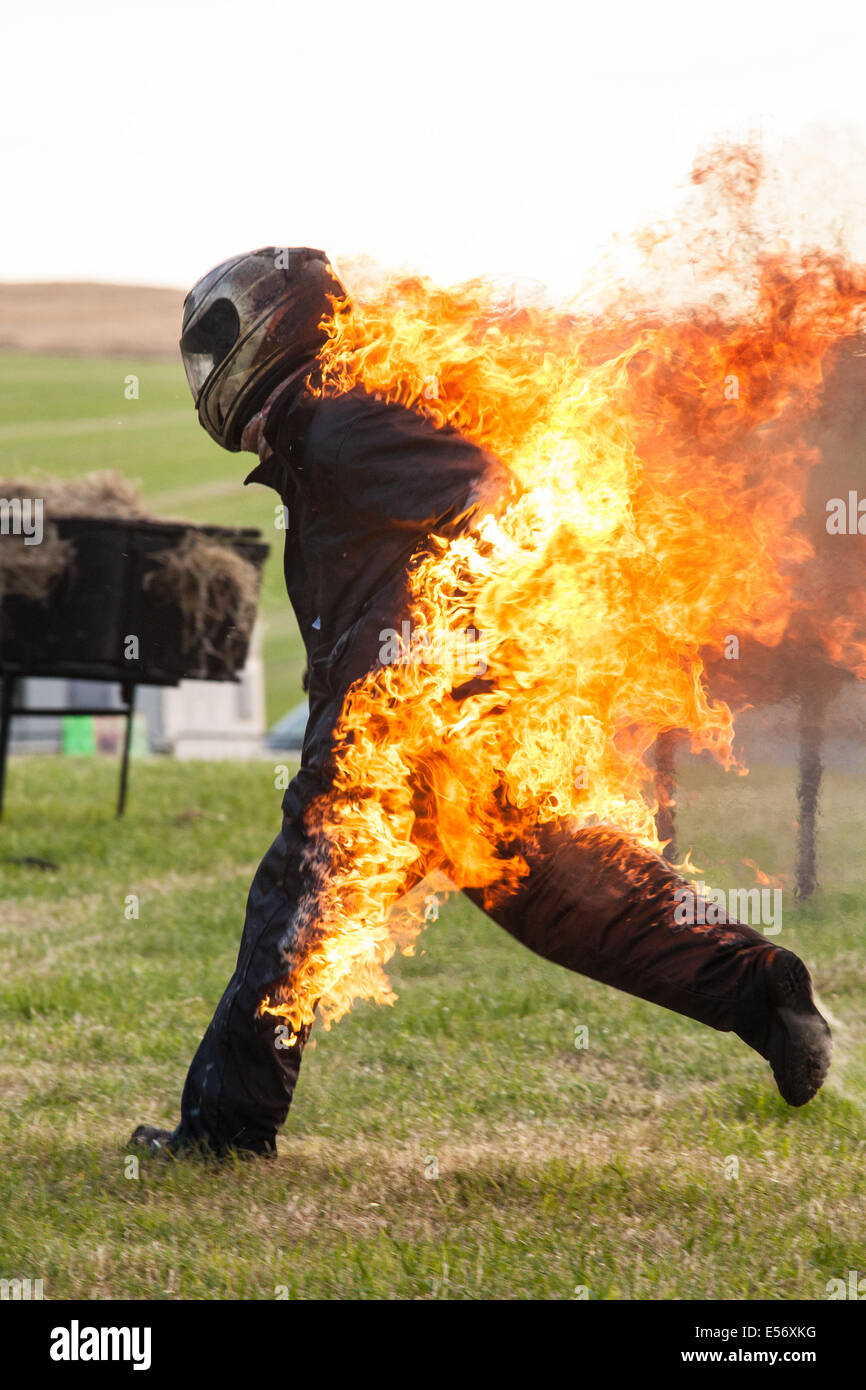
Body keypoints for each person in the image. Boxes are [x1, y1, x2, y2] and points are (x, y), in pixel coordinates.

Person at [131, 247, 832, 1157]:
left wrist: (430, 651)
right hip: (457, 712)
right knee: (558, 893)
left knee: (296, 906)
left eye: (213, 343)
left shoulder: (337, 421)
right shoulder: (327, 427)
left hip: (405, 717)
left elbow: (487, 497)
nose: (205, 370)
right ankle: (757, 989)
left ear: (268, 327)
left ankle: (223, 1136)